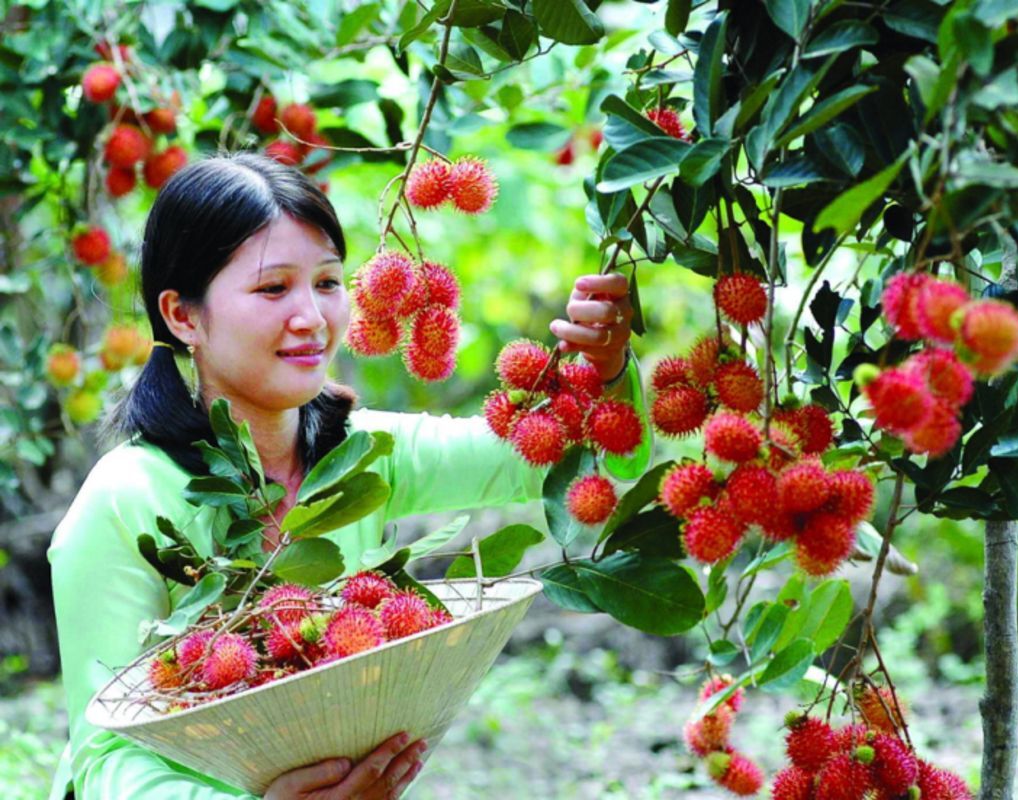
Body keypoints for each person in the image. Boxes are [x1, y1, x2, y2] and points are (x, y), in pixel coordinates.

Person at [48, 152, 643, 799]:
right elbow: (106, 761)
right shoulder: (123, 502)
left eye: (328, 282)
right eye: (273, 288)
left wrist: (607, 370)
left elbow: (572, 461)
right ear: (183, 315)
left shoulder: (363, 454)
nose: (311, 316)